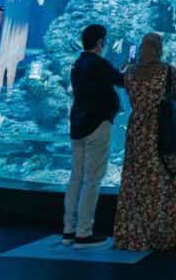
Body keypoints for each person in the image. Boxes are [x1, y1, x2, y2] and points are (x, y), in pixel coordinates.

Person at [114, 33, 176, 251]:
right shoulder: (168, 71)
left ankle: (136, 233)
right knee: (166, 177)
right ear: (159, 48)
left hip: (138, 131)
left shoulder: (130, 72)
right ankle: (167, 233)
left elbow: (127, 91)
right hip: (163, 130)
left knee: (137, 179)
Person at [63, 24, 125, 249]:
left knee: (76, 178)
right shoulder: (98, 63)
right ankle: (84, 233)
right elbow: (121, 80)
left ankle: (68, 230)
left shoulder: (77, 64)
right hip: (97, 124)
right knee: (93, 179)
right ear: (100, 42)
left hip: (78, 125)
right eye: (104, 41)